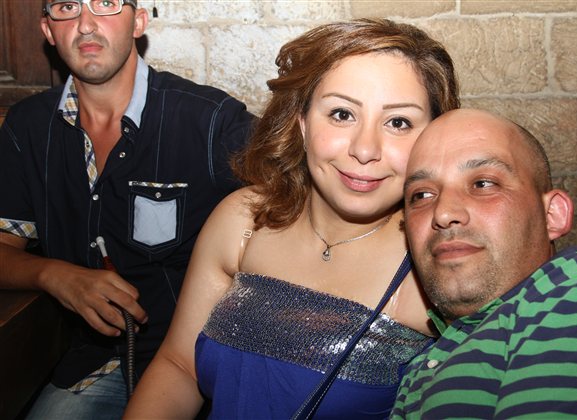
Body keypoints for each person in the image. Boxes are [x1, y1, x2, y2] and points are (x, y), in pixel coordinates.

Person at [124, 18, 460, 419]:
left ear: (433, 137)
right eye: (341, 114)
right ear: (302, 123)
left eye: (398, 122)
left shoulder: (439, 261)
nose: (365, 149)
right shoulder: (243, 220)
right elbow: (179, 366)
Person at [0, 0, 253, 418]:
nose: (85, 24)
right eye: (67, 7)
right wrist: (55, 275)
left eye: (105, 4)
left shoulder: (210, 122)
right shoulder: (28, 127)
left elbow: (298, 209)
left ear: (138, 22)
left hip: (197, 371)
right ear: (48, 31)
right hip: (89, 365)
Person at [392, 108, 577, 418]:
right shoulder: (417, 367)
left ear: (552, 215)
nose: (443, 213)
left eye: (483, 184)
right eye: (422, 195)